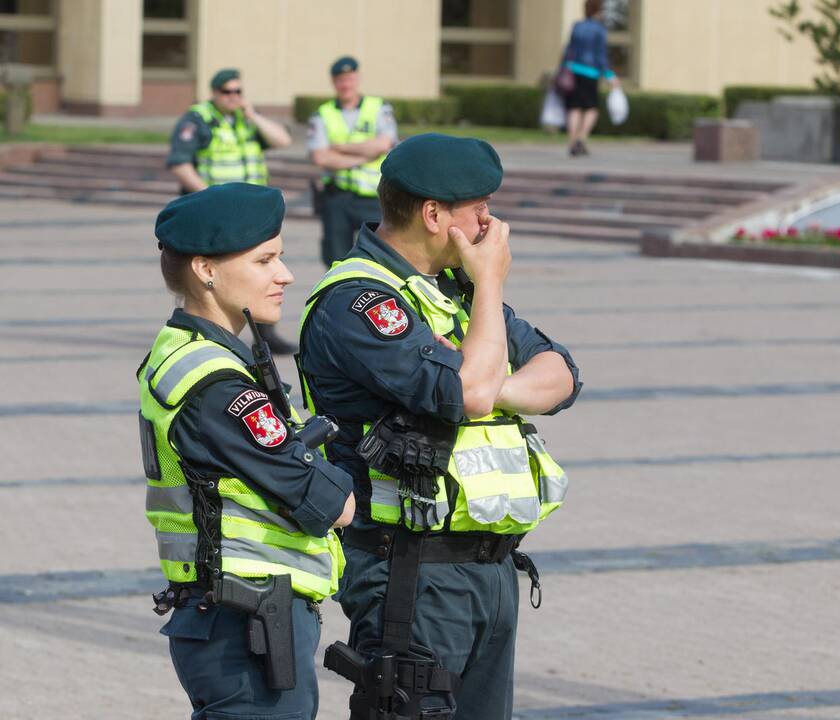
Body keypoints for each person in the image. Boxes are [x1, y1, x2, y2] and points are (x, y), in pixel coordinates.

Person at [296, 133, 581, 719]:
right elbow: (466, 391)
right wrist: (492, 294)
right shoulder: (357, 302)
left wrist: (490, 385)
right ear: (433, 215)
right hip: (411, 571)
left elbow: (562, 376)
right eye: (479, 209)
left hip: (489, 567)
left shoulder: (454, 291)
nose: (490, 225)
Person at [138, 183, 356, 720]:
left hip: (240, 616)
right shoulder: (216, 383)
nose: (284, 275)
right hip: (244, 624)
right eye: (265, 260)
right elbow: (332, 505)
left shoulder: (206, 354)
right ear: (206, 270)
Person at [166, 68, 297, 354]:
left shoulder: (246, 120)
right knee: (216, 279)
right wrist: (205, 198)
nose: (234, 97)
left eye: (238, 91)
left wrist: (253, 115)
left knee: (260, 273)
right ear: (214, 93)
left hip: (254, 216)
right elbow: (180, 162)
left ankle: (265, 337)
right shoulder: (198, 119)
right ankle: (210, 331)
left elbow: (284, 141)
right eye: (227, 92)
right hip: (220, 219)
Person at [307, 55, 398, 268]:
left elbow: (384, 144)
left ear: (357, 78)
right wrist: (365, 155)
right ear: (333, 82)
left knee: (381, 257)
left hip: (375, 198)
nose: (345, 84)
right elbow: (320, 156)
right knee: (337, 260)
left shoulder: (378, 107)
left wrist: (339, 148)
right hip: (337, 197)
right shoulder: (322, 114)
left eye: (349, 78)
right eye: (340, 80)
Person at [560, 0, 620, 157]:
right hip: (590, 73)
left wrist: (563, 68)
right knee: (591, 109)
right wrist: (609, 75)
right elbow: (601, 55)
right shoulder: (599, 30)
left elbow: (568, 50)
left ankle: (572, 142)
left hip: (573, 71)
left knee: (574, 108)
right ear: (598, 11)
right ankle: (581, 139)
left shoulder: (577, 26)